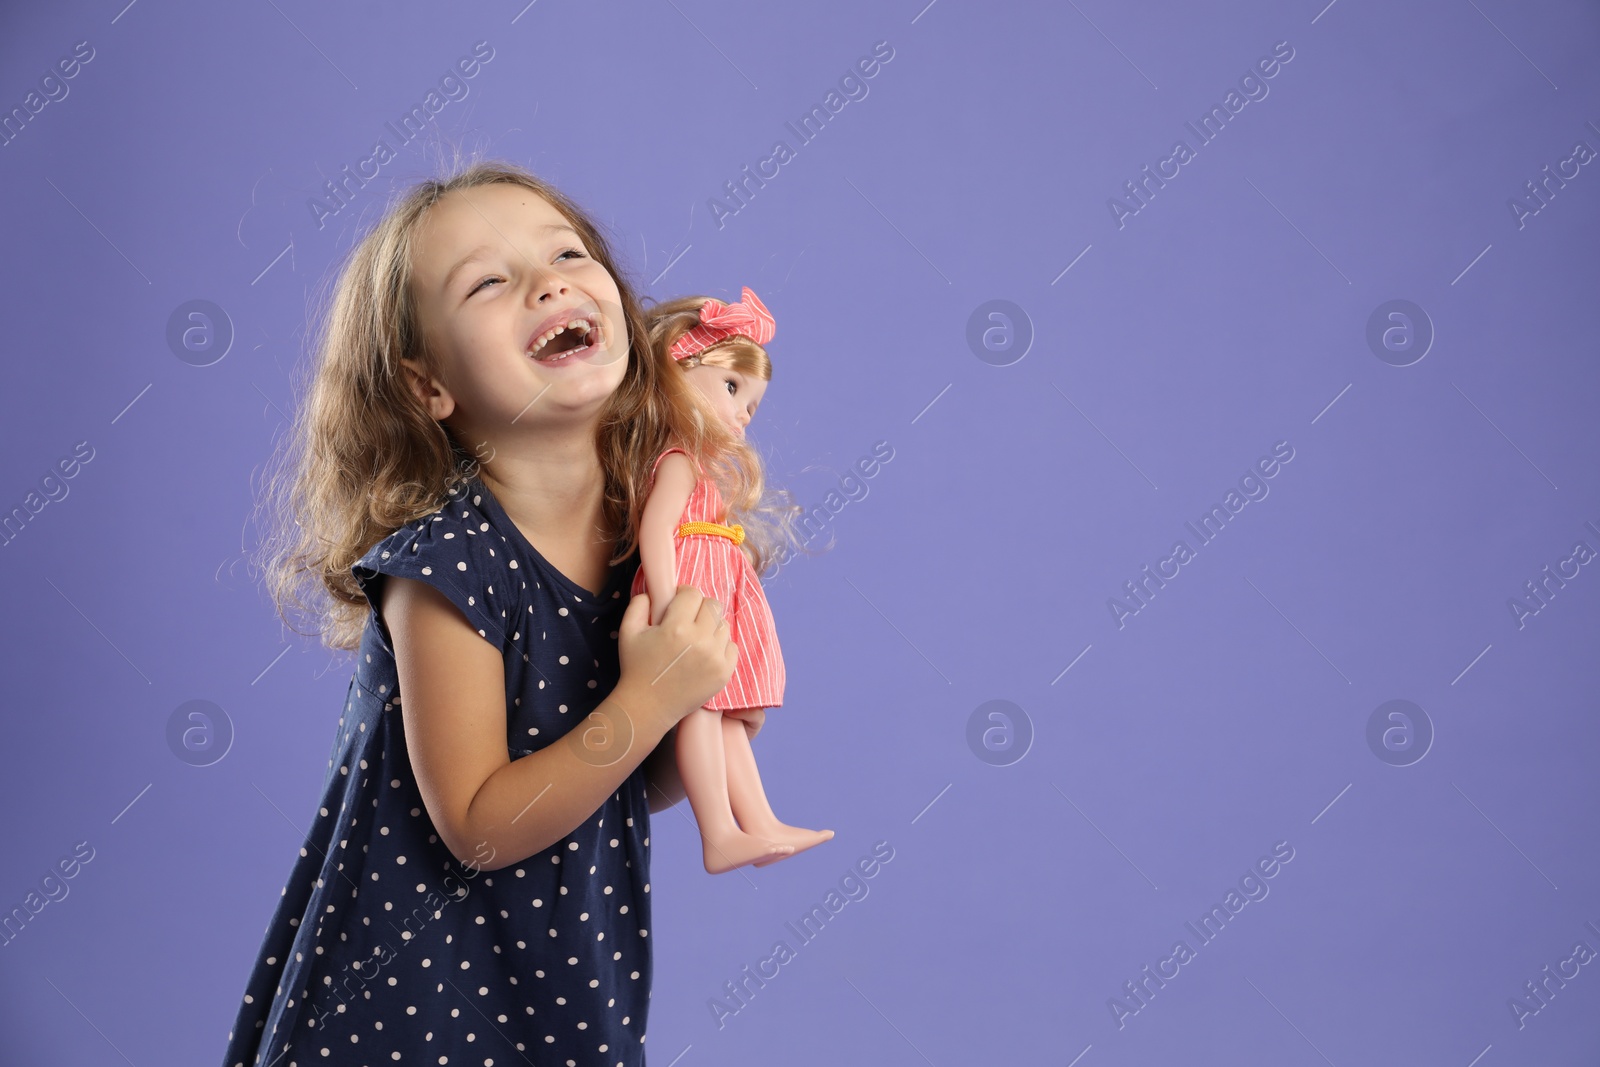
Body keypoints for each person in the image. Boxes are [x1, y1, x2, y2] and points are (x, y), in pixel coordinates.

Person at [223, 159, 741, 1067]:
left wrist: (705, 718)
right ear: (428, 387)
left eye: (567, 253)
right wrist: (651, 699)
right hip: (406, 1006)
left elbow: (611, 785)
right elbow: (480, 821)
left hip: (558, 984)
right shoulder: (445, 564)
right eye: (490, 282)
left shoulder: (637, 543)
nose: (548, 281)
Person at [630, 288, 834, 874]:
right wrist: (669, 607)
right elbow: (656, 532)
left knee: (728, 714)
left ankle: (760, 821)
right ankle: (718, 832)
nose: (743, 412)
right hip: (689, 594)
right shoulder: (677, 460)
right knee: (700, 706)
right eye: (731, 388)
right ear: (678, 368)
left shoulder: (704, 464)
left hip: (718, 588)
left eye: (752, 404)